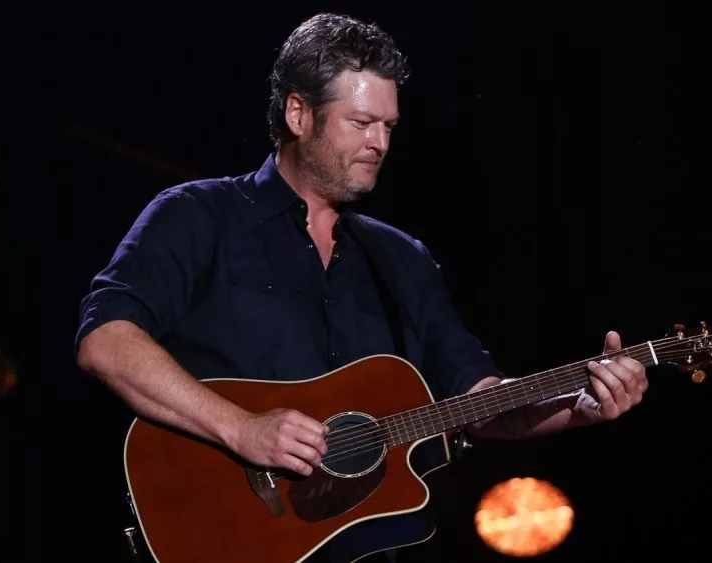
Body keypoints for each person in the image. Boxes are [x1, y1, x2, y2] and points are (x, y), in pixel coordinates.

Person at [74, 12, 647, 562]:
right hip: (216, 535)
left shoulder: (403, 260)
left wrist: (577, 405)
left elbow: (482, 404)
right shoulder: (198, 215)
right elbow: (106, 341)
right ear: (299, 114)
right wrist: (241, 428)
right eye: (361, 123)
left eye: (388, 127)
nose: (380, 143)